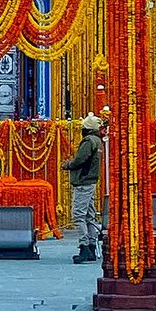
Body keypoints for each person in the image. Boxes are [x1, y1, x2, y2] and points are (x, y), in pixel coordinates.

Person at [63, 113, 103, 264]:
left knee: (79, 215)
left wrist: (68, 165)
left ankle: (84, 246)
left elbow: (80, 160)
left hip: (83, 182)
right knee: (89, 215)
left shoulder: (88, 141)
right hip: (90, 182)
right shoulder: (97, 141)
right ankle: (92, 245)